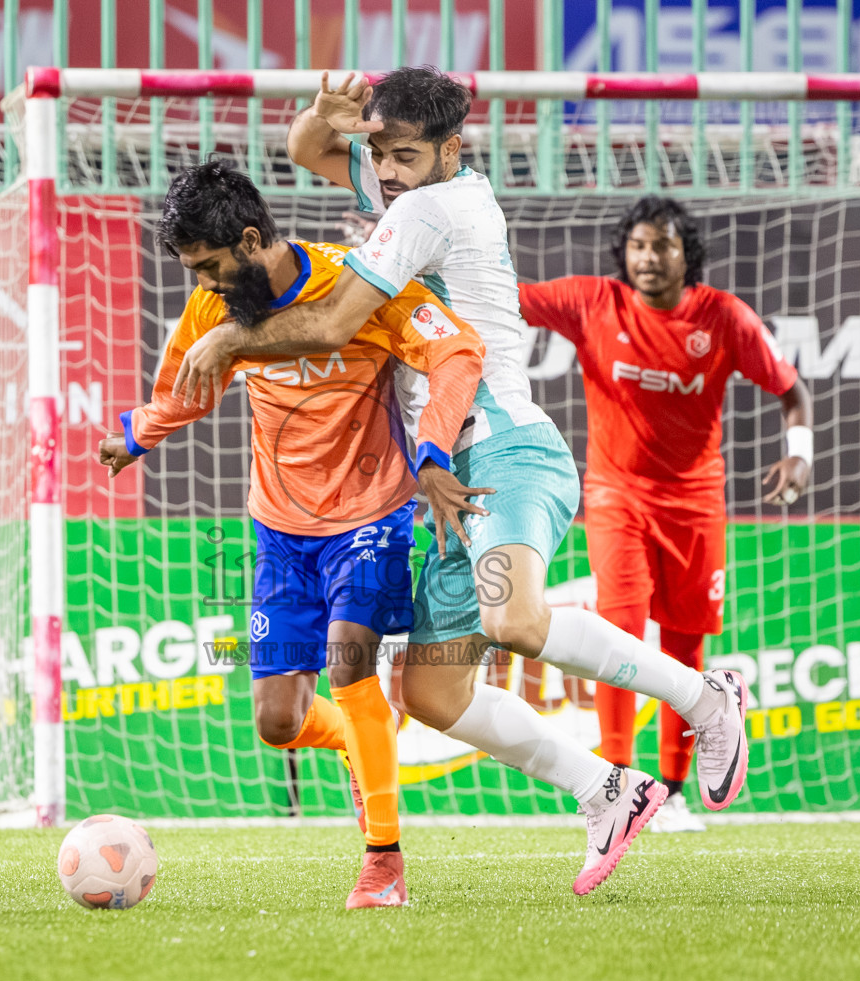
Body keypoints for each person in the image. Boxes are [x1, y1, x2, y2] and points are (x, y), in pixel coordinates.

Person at [170, 66, 749, 895]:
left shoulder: (433, 207)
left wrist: (226, 342)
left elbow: (333, 322)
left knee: (515, 617)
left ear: (453, 148)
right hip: (446, 475)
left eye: (402, 154)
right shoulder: (410, 177)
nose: (387, 170)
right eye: (378, 152)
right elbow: (306, 148)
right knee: (434, 692)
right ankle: (605, 790)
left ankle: (705, 697)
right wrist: (325, 117)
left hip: (506, 449)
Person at [98, 160, 484, 908]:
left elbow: (458, 350)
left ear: (250, 240)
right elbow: (185, 384)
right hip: (279, 531)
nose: (203, 285)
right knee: (278, 721)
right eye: (192, 271)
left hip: (372, 515)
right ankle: (355, 740)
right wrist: (140, 436)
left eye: (210, 267)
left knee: (349, 665)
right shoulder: (214, 309)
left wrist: (435, 448)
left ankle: (384, 862)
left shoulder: (361, 285)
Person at [518, 196, 814, 832]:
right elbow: (509, 296)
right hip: (615, 495)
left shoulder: (723, 317)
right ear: (625, 252)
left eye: (663, 247)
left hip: (696, 501)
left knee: (685, 644)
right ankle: (617, 782)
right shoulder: (595, 302)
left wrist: (799, 455)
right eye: (639, 246)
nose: (649, 258)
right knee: (619, 635)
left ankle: (673, 791)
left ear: (687, 255)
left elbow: (792, 392)